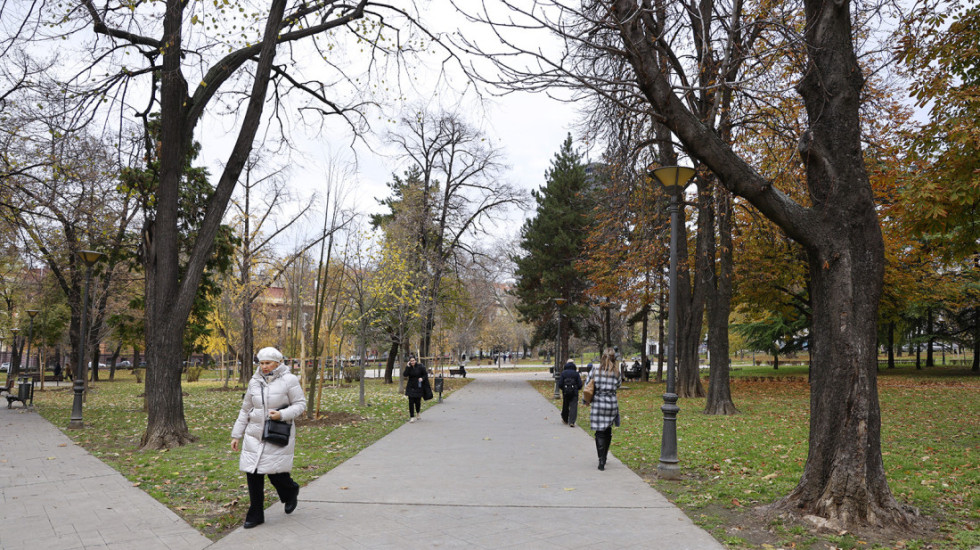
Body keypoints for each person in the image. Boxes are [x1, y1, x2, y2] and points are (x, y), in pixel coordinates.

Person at [230, 347, 306, 529]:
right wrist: (236, 435)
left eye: (268, 363)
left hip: (276, 431)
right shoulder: (254, 381)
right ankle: (256, 514)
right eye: (261, 363)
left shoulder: (289, 380)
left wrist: (282, 415)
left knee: (275, 472)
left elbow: (300, 404)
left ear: (278, 363)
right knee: (253, 472)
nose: (264, 366)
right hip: (254, 434)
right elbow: (245, 408)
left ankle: (290, 491)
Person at [585, 349, 622, 471]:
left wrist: (586, 400)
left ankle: (601, 459)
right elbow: (618, 385)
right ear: (613, 359)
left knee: (599, 432)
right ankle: (605, 456)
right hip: (611, 403)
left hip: (598, 403)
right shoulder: (616, 372)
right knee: (607, 430)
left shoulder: (595, 371)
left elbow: (588, 385)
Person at [403, 356, 429, 422]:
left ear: (416, 360)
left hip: (418, 386)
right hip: (410, 386)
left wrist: (422, 378)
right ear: (409, 361)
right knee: (411, 402)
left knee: (417, 402)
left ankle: (418, 412)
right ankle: (412, 416)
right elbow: (405, 375)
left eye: (413, 360)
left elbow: (425, 375)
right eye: (411, 361)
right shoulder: (409, 367)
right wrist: (407, 367)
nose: (412, 362)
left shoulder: (420, 367)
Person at [559, 359, 582, 427]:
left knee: (565, 405)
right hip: (574, 392)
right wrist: (577, 388)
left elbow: (560, 384)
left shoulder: (563, 373)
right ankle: (572, 421)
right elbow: (580, 384)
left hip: (566, 392)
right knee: (573, 406)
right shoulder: (576, 373)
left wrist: (563, 389)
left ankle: (565, 419)